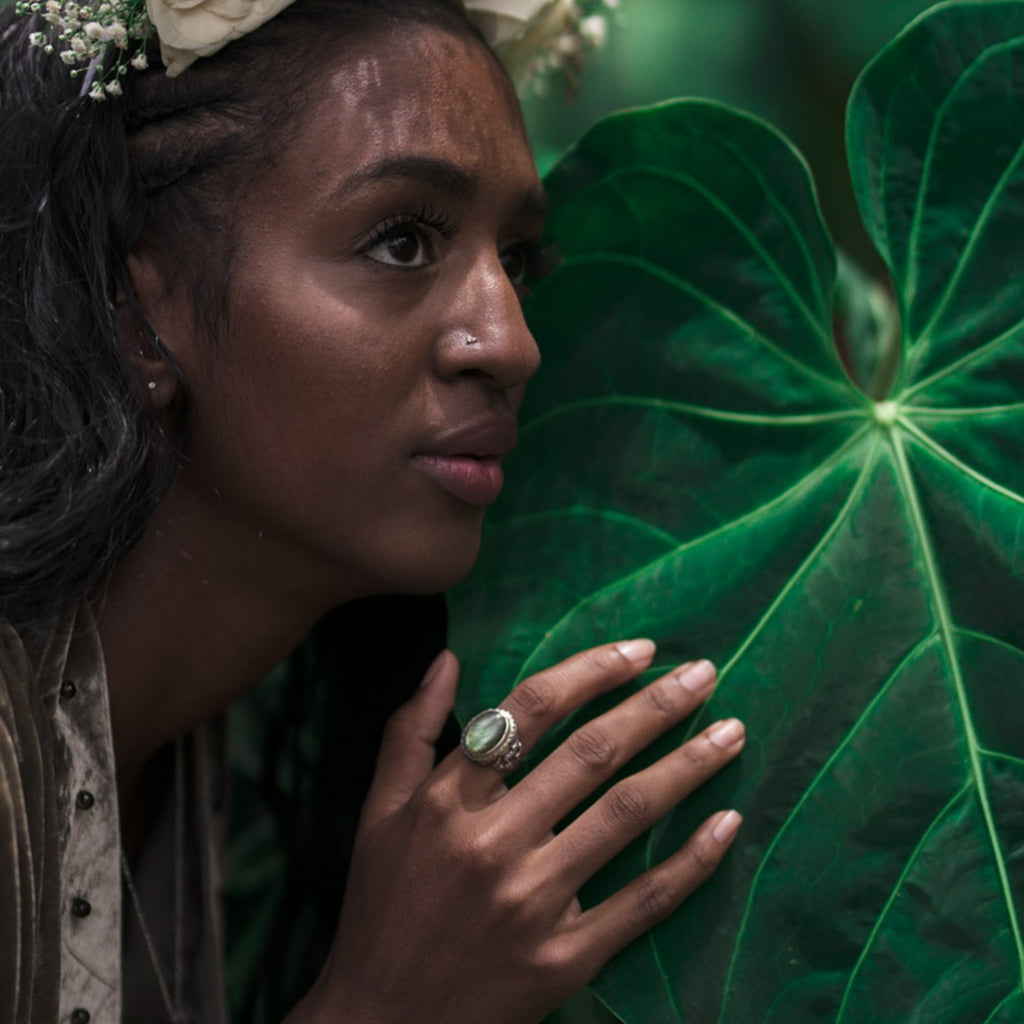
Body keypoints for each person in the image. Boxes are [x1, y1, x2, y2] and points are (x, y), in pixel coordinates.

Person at [0, 1, 747, 1021]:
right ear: (136, 314)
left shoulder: (239, 753)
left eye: (518, 261)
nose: (512, 342)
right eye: (401, 243)